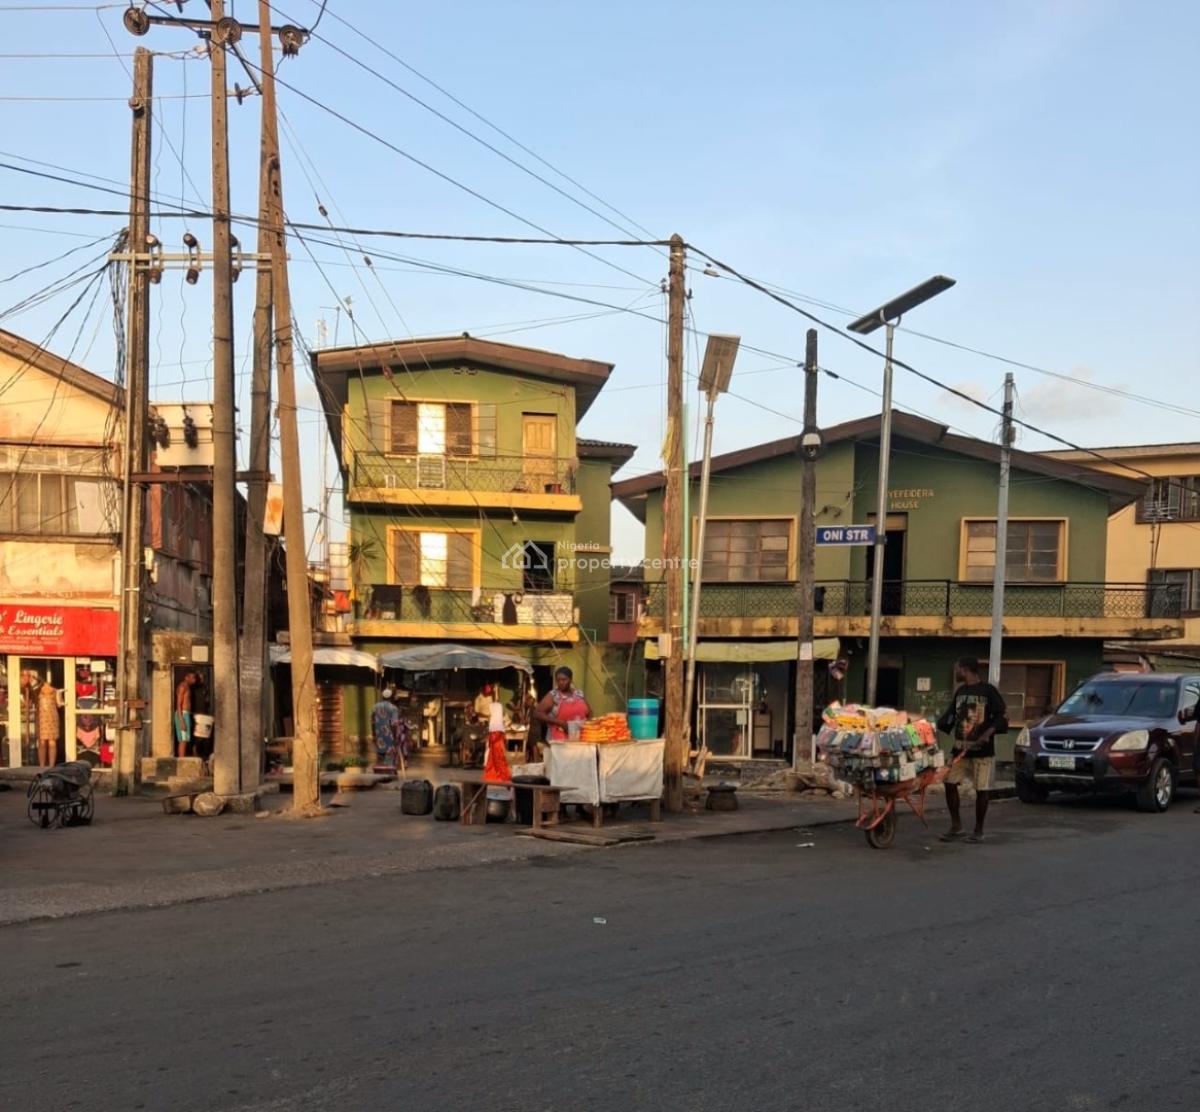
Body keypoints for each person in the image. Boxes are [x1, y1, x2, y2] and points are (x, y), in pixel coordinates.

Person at [936, 657, 1007, 843]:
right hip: (960, 750)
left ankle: (978, 830)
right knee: (949, 783)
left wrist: (987, 734)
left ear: (966, 670)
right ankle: (956, 826)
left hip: (982, 752)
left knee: (981, 790)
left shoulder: (988, 691)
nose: (957, 672)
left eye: (958, 669)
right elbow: (950, 716)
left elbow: (1002, 715)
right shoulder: (961, 692)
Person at [534, 667, 591, 741]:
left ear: (570, 679)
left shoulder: (579, 694)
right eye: (558, 680)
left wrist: (588, 724)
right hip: (558, 739)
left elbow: (589, 711)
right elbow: (537, 713)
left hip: (580, 737)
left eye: (564, 680)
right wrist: (559, 722)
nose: (561, 682)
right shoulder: (553, 695)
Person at [371, 688, 401, 767]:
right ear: (391, 697)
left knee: (380, 755)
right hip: (389, 735)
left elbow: (372, 722)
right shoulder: (393, 708)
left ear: (382, 697)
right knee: (389, 756)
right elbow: (394, 724)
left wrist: (373, 734)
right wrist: (395, 737)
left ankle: (379, 771)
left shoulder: (375, 707)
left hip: (378, 735)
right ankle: (387, 771)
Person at [37, 677, 60, 768]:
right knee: (42, 742)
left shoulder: (55, 691)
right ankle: (42, 765)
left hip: (52, 718)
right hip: (41, 718)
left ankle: (51, 766)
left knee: (52, 742)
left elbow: (58, 704)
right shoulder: (38, 690)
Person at [174, 671, 197, 758]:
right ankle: (181, 762)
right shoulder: (183, 687)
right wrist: (182, 720)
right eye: (192, 677)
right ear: (186, 677)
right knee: (183, 741)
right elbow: (178, 704)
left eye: (194, 678)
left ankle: (182, 761)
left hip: (185, 714)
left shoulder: (188, 687)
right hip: (182, 715)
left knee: (185, 740)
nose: (194, 680)